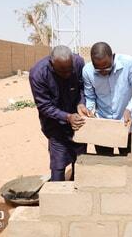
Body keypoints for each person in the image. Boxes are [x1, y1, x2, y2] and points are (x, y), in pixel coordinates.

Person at [29, 45, 90, 181]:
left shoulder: (79, 63)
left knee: (80, 160)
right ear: (52, 63)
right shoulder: (38, 73)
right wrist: (67, 117)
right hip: (55, 124)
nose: (67, 74)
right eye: (62, 71)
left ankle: (76, 188)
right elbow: (44, 106)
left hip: (78, 123)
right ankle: (57, 193)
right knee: (58, 163)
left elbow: (82, 88)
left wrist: (81, 103)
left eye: (70, 70)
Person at [82, 42, 132, 156]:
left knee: (128, 165)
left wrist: (129, 109)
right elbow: (90, 96)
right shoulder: (87, 71)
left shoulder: (128, 63)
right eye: (98, 70)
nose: (103, 72)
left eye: (107, 67)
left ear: (113, 56)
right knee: (105, 165)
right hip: (102, 125)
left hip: (126, 125)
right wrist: (87, 110)